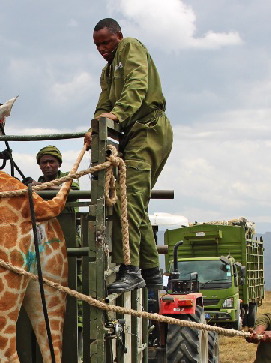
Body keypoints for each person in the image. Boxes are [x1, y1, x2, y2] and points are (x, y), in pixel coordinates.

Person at [84, 17, 173, 294]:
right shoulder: (108, 72)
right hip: (133, 135)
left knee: (128, 199)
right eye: (97, 45)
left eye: (106, 42)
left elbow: (137, 86)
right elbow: (104, 105)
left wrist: (117, 115)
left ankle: (130, 268)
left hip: (148, 128)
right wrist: (93, 128)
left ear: (118, 36)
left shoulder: (130, 48)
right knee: (135, 205)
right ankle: (151, 276)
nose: (101, 49)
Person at [33, 145, 80, 214]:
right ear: (40, 166)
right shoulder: (40, 181)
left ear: (59, 164)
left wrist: (39, 185)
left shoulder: (69, 176)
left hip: (69, 221)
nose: (48, 165)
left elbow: (73, 194)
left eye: (51, 162)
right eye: (44, 162)